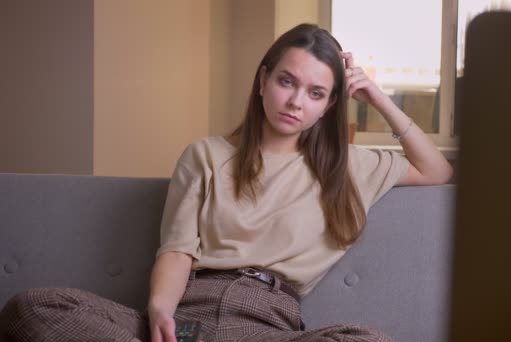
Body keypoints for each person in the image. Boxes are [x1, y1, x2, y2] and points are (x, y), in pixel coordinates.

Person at [0, 23, 452, 342]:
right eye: (286, 81)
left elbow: (437, 171)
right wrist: (159, 308)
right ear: (263, 81)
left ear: (329, 105)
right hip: (186, 318)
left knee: (367, 341)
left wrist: (376, 96)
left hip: (266, 325)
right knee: (33, 307)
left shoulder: (348, 167)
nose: (296, 101)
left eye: (316, 93)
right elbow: (177, 248)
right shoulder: (207, 155)